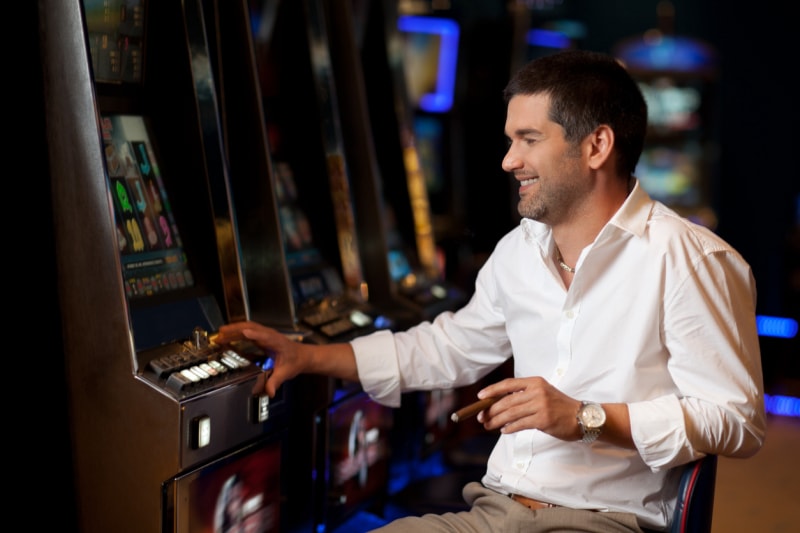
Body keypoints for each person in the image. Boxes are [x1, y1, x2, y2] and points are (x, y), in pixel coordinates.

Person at [215, 49, 766, 532]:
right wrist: (309, 355)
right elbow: (449, 347)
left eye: (529, 140)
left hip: (604, 523)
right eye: (510, 141)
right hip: (494, 511)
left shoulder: (693, 260)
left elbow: (736, 421)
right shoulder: (520, 250)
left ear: (597, 145)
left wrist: (587, 417)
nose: (508, 161)